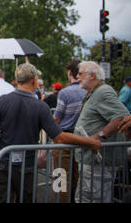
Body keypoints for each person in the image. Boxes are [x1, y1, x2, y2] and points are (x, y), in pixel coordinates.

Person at [0, 63, 102, 203]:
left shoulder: (3, 101)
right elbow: (60, 137)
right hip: (26, 165)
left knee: (1, 199)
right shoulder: (39, 106)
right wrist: (91, 142)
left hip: (3, 161)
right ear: (34, 80)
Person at [74, 61, 130, 203]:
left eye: (80, 73)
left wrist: (97, 138)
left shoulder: (103, 91)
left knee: (90, 197)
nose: (77, 76)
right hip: (94, 161)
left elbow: (121, 117)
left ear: (92, 75)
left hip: (98, 163)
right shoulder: (97, 92)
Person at [52, 60, 87, 203]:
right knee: (79, 177)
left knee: (61, 178)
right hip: (82, 139)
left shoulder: (65, 93)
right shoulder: (89, 91)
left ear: (69, 73)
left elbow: (58, 118)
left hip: (64, 139)